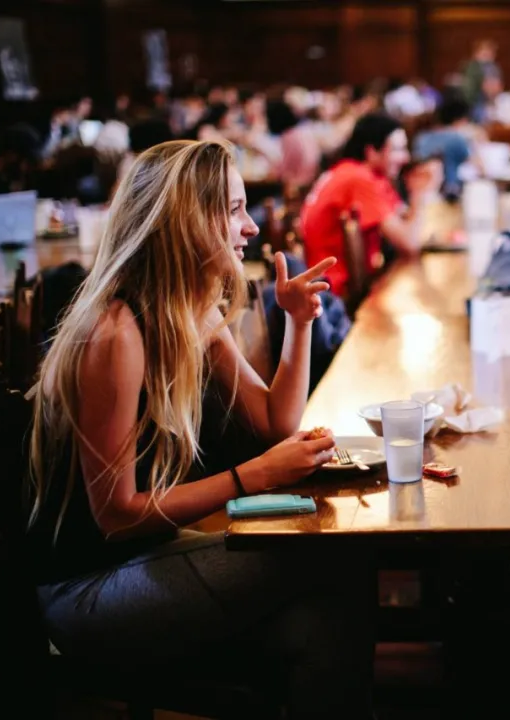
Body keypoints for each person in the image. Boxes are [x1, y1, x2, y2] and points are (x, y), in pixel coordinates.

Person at [28, 139, 377, 719]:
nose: (251, 227)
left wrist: (298, 323)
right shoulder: (116, 332)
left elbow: (275, 422)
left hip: (152, 558)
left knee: (327, 608)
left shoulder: (193, 308)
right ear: (186, 220)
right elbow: (116, 516)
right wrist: (252, 477)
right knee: (333, 555)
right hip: (85, 593)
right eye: (234, 209)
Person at [299, 112, 436, 298]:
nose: (405, 157)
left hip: (330, 283)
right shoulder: (359, 180)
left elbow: (402, 218)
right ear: (372, 151)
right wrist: (419, 191)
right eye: (397, 149)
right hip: (334, 292)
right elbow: (409, 244)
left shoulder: (357, 172)